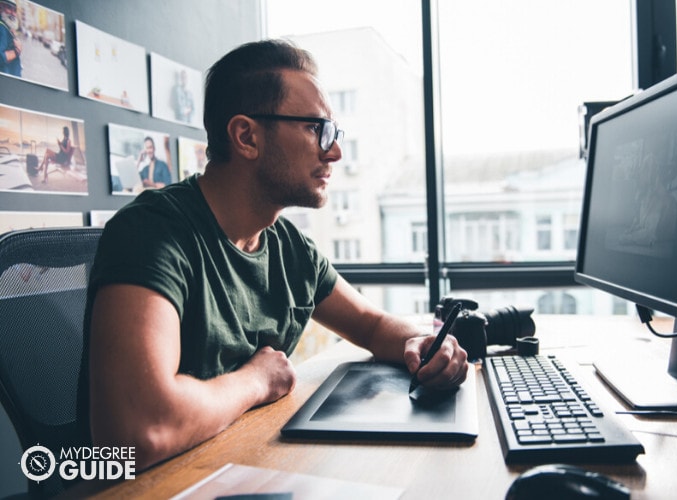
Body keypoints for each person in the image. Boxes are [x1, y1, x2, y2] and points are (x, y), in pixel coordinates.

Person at [77, 39, 468, 471]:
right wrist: (256, 380)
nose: (334, 151)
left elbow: (372, 325)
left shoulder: (288, 246)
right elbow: (137, 432)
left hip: (235, 465)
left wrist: (418, 341)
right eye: (316, 128)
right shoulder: (152, 232)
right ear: (246, 137)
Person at [0, 0, 21, 77]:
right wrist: (17, 51)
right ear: (0, 8)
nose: (13, 13)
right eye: (9, 8)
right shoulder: (1, 28)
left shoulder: (6, 27)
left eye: (15, 10)